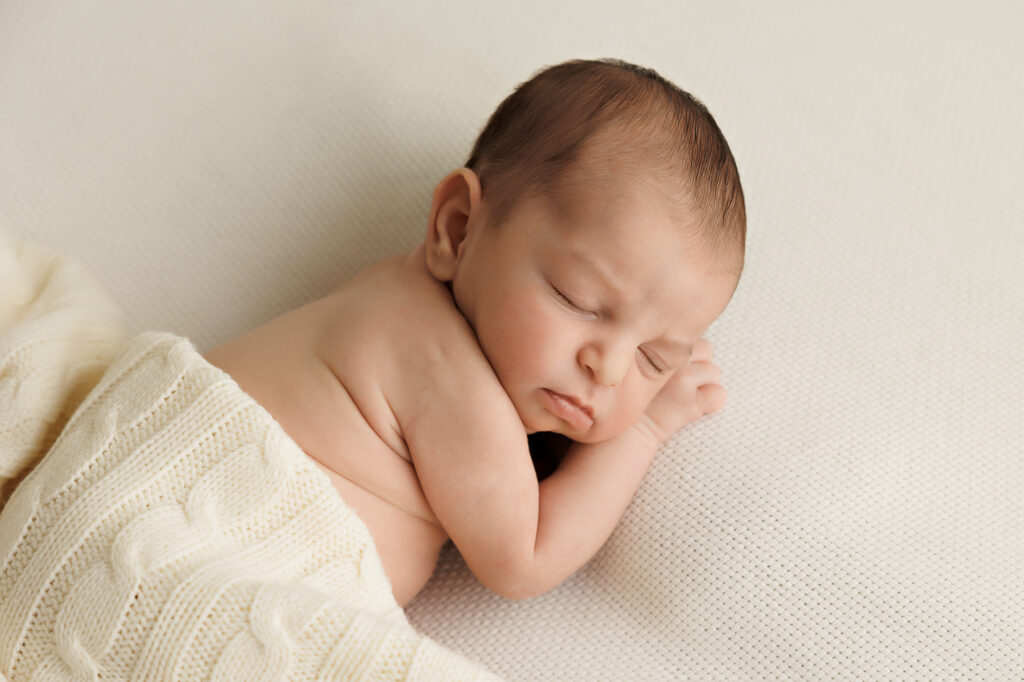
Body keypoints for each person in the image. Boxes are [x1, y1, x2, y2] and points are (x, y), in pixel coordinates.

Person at [203, 58, 746, 606]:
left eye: (654, 358)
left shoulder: (397, 299)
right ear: (458, 228)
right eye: (577, 300)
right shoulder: (435, 358)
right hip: (209, 537)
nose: (607, 368)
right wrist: (644, 430)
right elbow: (524, 559)